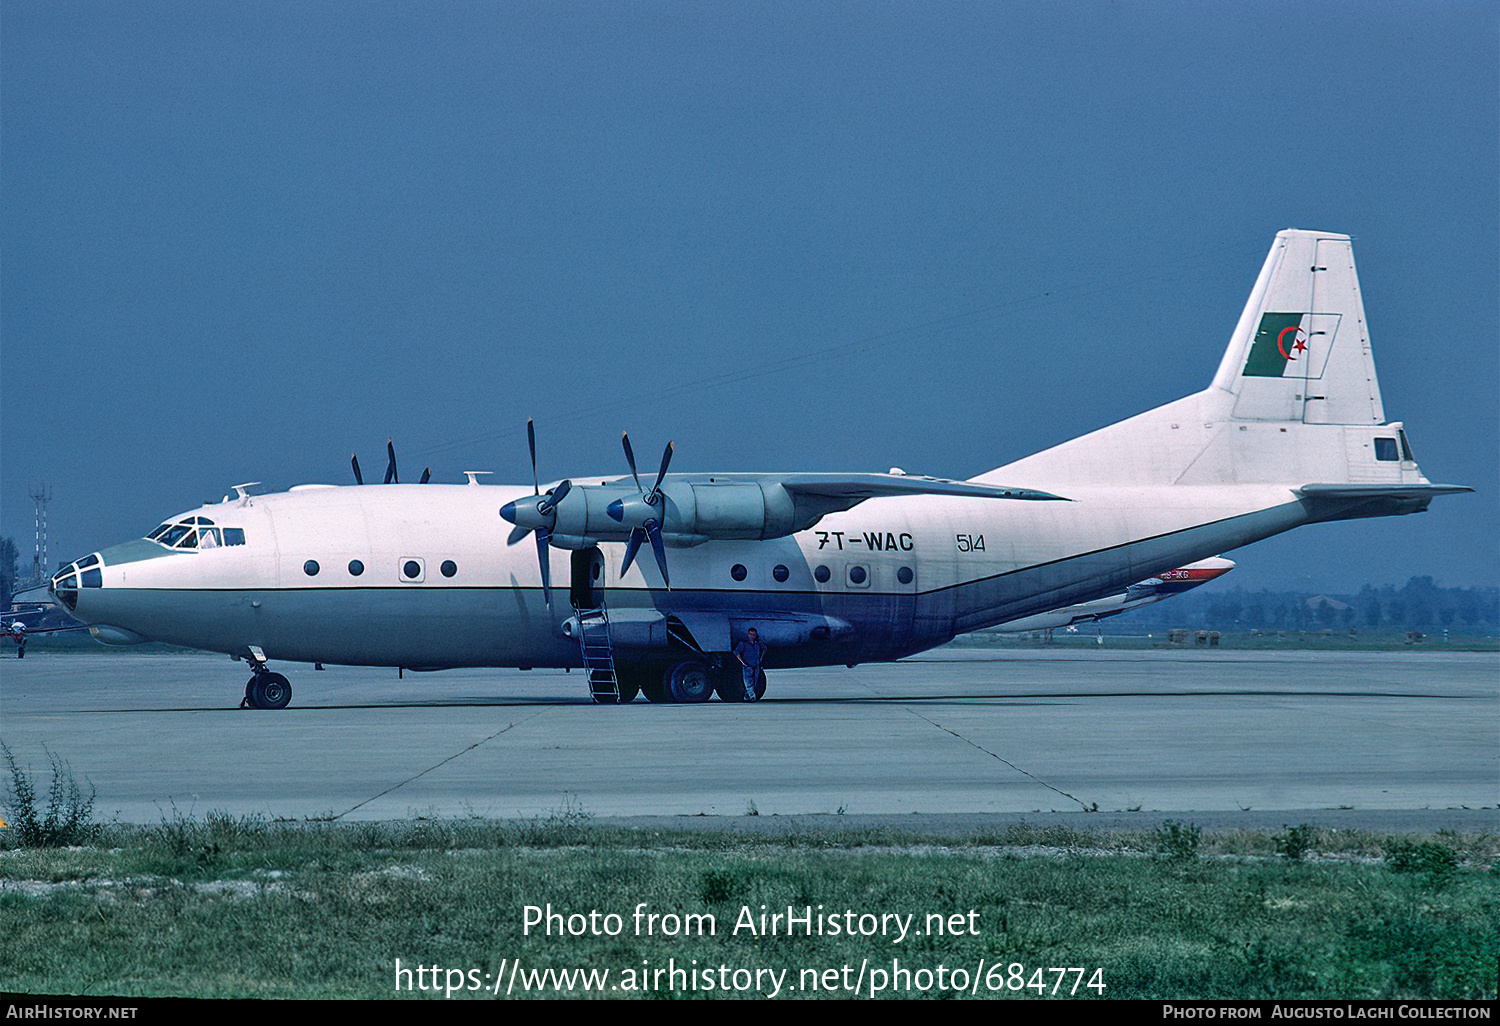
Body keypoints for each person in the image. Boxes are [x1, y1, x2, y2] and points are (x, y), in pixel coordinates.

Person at [732, 627, 766, 702]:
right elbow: (736, 653)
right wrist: (743, 663)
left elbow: (764, 649)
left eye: (753, 634)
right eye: (751, 634)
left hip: (756, 665)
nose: (752, 636)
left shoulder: (758, 644)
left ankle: (747, 696)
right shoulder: (744, 644)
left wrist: (760, 660)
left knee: (755, 682)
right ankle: (752, 696)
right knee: (748, 681)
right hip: (748, 665)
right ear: (748, 634)